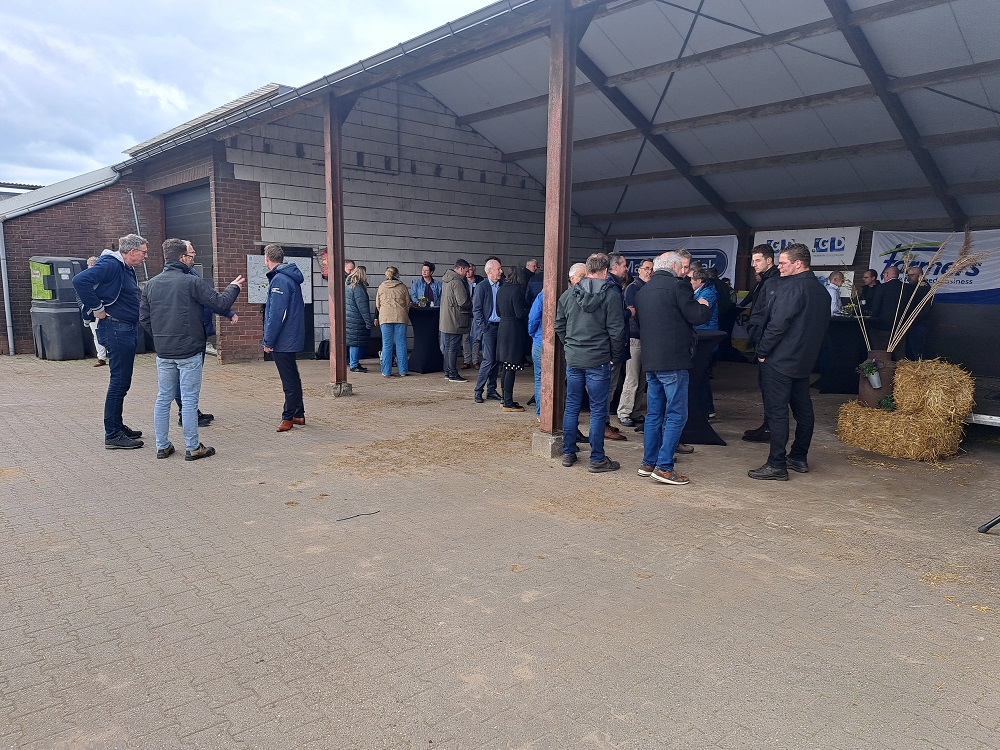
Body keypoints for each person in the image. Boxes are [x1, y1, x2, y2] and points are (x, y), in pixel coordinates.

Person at [140, 238, 244, 461]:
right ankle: (193, 446)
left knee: (163, 398)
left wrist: (160, 337)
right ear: (182, 257)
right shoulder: (191, 282)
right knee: (188, 400)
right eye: (190, 256)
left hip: (164, 351)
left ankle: (162, 445)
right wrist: (234, 287)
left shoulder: (150, 284)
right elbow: (219, 303)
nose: (191, 260)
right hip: (189, 350)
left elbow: (144, 319)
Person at [748, 243, 831, 480]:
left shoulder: (793, 288)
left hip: (780, 360)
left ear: (798, 263)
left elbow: (777, 324)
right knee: (804, 411)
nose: (779, 267)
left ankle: (776, 464)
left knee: (777, 413)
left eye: (783, 263)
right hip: (803, 362)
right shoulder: (821, 291)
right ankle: (798, 457)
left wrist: (762, 351)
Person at [634, 251, 711, 485]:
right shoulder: (679, 287)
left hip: (651, 360)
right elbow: (696, 316)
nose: (685, 271)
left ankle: (649, 462)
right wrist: (703, 305)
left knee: (654, 414)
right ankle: (665, 467)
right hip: (674, 361)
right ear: (674, 267)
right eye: (682, 267)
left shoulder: (643, 290)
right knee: (676, 414)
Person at [72, 234, 148, 450]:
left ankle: (117, 425)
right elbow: (80, 281)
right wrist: (97, 309)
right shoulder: (112, 264)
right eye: (143, 252)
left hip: (123, 328)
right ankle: (113, 434)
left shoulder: (125, 267)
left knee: (122, 381)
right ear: (131, 251)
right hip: (116, 328)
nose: (145, 256)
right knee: (119, 382)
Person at [554, 253, 626, 473]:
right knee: (597, 410)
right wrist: (616, 355)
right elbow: (617, 330)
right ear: (605, 271)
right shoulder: (612, 295)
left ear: (587, 270)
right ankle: (597, 459)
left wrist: (570, 346)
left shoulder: (568, 295)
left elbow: (559, 325)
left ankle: (568, 452)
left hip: (575, 360)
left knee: (572, 406)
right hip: (599, 360)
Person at [174, 240, 234, 429]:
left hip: (197, 332)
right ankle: (186, 414)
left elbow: (208, 301)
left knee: (191, 378)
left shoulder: (191, 274)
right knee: (183, 378)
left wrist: (228, 313)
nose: (194, 257)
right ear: (182, 256)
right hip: (188, 336)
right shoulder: (184, 278)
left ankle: (191, 410)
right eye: (192, 254)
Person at [262, 244, 306, 432]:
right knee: (292, 376)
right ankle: (298, 413)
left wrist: (268, 340)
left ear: (267, 259)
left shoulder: (279, 280)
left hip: (283, 339)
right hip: (290, 335)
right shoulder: (290, 277)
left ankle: (287, 416)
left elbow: (277, 314)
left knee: (288, 379)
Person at [742, 244, 781, 443]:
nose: (753, 265)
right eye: (752, 260)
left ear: (769, 260)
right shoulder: (766, 280)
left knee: (769, 387)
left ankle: (770, 429)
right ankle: (767, 426)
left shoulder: (773, 281)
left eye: (757, 260)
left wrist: (759, 338)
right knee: (764, 385)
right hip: (761, 338)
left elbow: (769, 315)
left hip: (766, 341)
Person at [617, 258, 653, 428]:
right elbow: (633, 313)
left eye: (651, 269)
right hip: (634, 338)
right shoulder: (633, 288)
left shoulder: (648, 288)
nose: (649, 271)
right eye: (646, 268)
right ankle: (624, 412)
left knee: (642, 379)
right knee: (632, 378)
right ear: (639, 270)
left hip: (646, 338)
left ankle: (635, 411)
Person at [604, 253, 632, 442]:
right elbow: (613, 319)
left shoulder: (613, 286)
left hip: (612, 347)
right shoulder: (612, 288)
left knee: (609, 388)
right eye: (624, 265)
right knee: (608, 388)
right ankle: (603, 426)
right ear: (615, 267)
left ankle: (604, 422)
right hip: (611, 348)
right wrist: (628, 312)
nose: (626, 269)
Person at [496, 265, 530, 412]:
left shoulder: (502, 289)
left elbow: (497, 311)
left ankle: (504, 398)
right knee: (512, 367)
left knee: (505, 366)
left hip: (503, 328)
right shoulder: (516, 291)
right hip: (514, 331)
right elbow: (519, 313)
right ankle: (508, 402)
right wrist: (530, 309)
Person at [472, 258, 504, 403]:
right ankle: (478, 390)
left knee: (497, 360)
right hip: (489, 328)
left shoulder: (502, 285)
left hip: (500, 328)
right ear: (489, 271)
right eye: (498, 269)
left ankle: (491, 390)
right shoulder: (482, 286)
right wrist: (484, 327)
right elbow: (476, 309)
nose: (501, 271)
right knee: (488, 359)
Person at [690, 262, 719, 419]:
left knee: (701, 374)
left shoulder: (708, 293)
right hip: (701, 334)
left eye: (691, 280)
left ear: (699, 281)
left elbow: (698, 312)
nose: (689, 283)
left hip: (705, 336)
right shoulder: (701, 291)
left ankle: (707, 409)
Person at [440, 258, 473, 383]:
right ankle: (453, 373)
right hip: (456, 319)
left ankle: (448, 372)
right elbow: (463, 302)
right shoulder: (457, 282)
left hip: (447, 318)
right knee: (453, 347)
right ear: (460, 269)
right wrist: (472, 303)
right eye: (466, 270)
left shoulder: (446, 280)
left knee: (448, 347)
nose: (467, 273)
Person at [374, 266, 410, 377]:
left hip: (385, 317)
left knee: (386, 345)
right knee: (401, 344)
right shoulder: (402, 287)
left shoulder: (381, 287)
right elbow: (407, 303)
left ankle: (386, 371)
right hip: (400, 317)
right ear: (397, 274)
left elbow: (377, 304)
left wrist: (384, 312)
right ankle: (403, 371)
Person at [345, 265, 373, 373]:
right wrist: (368, 322)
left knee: (353, 342)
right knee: (356, 343)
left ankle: (354, 362)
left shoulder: (348, 286)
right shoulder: (358, 288)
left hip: (349, 318)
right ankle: (354, 365)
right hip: (356, 319)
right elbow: (363, 307)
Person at [903, 265, 933, 360]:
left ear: (920, 275)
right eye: (908, 275)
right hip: (912, 324)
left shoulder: (923, 288)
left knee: (918, 352)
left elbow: (923, 309)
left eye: (912, 275)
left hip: (919, 324)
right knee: (911, 352)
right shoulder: (913, 287)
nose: (909, 278)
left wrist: (912, 320)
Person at [84, 255, 108, 367]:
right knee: (96, 334)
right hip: (91, 311)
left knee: (107, 333)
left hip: (105, 310)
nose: (92, 268)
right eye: (90, 265)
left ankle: (111, 356)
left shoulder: (104, 279)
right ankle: (101, 357)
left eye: (94, 265)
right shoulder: (84, 279)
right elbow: (80, 296)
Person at [462, 263, 483, 369]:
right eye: (467, 270)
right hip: (465, 313)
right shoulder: (462, 282)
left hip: (476, 313)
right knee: (465, 337)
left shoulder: (479, 281)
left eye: (470, 270)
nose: (468, 272)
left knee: (475, 338)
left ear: (474, 271)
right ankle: (467, 360)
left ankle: (475, 360)